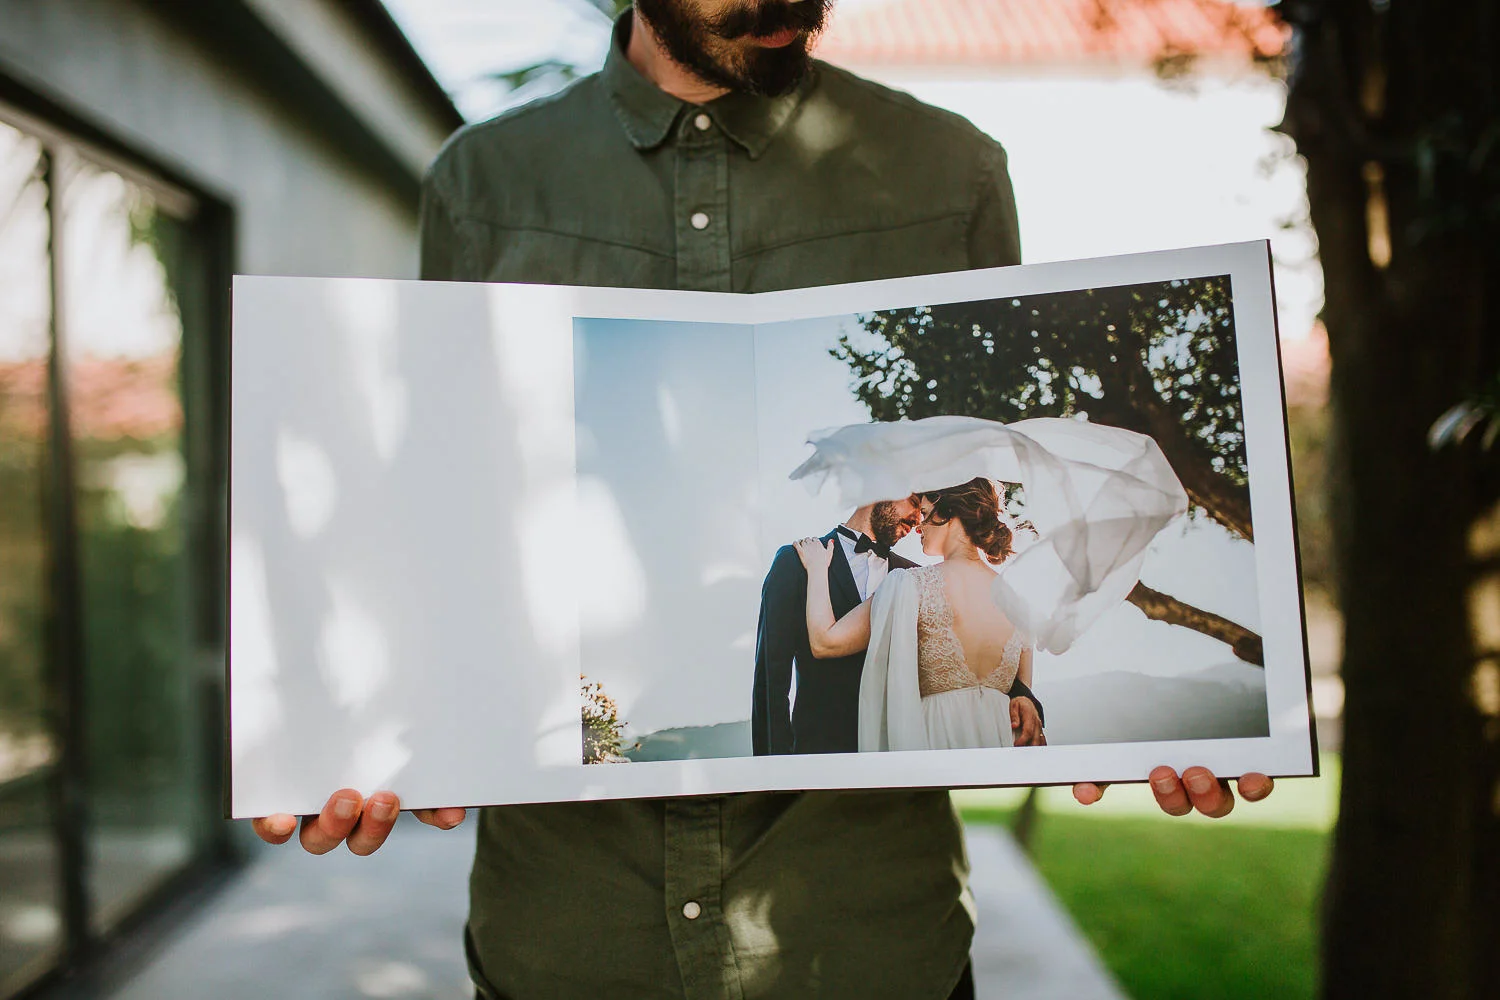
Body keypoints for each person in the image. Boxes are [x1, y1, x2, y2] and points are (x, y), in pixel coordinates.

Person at [252, 3, 1276, 997]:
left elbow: (984, 653)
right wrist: (370, 738)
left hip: (868, 947)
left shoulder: (949, 175)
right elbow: (451, 522)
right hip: (568, 940)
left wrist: (1173, 741)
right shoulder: (481, 184)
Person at [752, 496, 1045, 755]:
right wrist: (774, 777)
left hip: (906, 755)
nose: (918, 519)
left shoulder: (915, 578)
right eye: (915, 502)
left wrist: (1023, 696)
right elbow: (770, 681)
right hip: (821, 761)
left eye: (923, 509)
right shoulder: (796, 563)